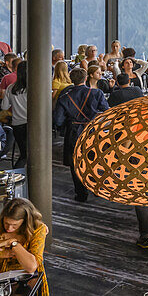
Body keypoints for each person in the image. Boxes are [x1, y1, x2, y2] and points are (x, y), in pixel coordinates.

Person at [53, 68, 109, 201]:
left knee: (76, 164)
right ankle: (97, 188)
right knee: (95, 160)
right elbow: (106, 112)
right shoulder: (97, 93)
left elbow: (58, 121)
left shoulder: (65, 97)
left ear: (71, 80)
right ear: (85, 79)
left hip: (73, 132)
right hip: (92, 131)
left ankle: (81, 193)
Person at [0, 61, 28, 163]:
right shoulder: (36, 88)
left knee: (24, 154)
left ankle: (18, 174)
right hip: (35, 125)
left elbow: (4, 107)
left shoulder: (11, 88)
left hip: (18, 125)